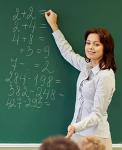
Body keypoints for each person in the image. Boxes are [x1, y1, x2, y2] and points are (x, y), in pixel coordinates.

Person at [45, 10, 117, 150]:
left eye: (96, 44)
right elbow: (67, 52)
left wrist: (75, 127)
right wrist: (54, 26)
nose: (90, 47)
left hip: (96, 138)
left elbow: (97, 114)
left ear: (105, 47)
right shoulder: (86, 66)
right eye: (88, 43)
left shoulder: (105, 75)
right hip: (77, 133)